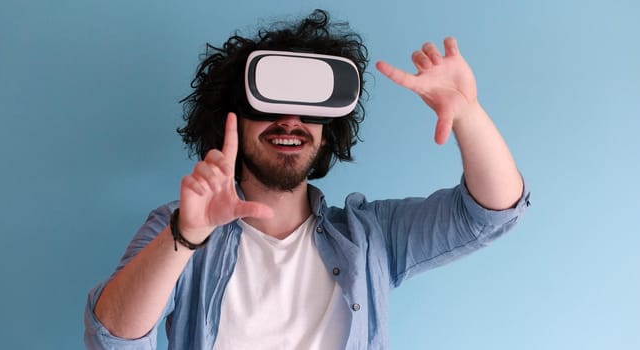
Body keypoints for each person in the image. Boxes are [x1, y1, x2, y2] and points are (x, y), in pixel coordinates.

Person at [84, 9, 530, 350]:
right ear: (231, 117)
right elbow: (111, 337)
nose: (291, 120)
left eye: (310, 107)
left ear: (327, 127)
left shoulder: (370, 237)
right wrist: (186, 235)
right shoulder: (178, 227)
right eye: (269, 103)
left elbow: (490, 213)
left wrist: (468, 115)